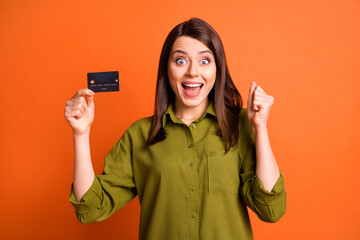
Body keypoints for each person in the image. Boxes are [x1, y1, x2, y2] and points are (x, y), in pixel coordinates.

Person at [64, 18, 286, 240]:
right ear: (167, 69)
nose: (192, 72)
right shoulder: (139, 134)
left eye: (205, 61)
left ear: (218, 69)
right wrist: (81, 134)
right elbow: (91, 208)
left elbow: (271, 209)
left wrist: (260, 128)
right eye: (180, 61)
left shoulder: (239, 126)